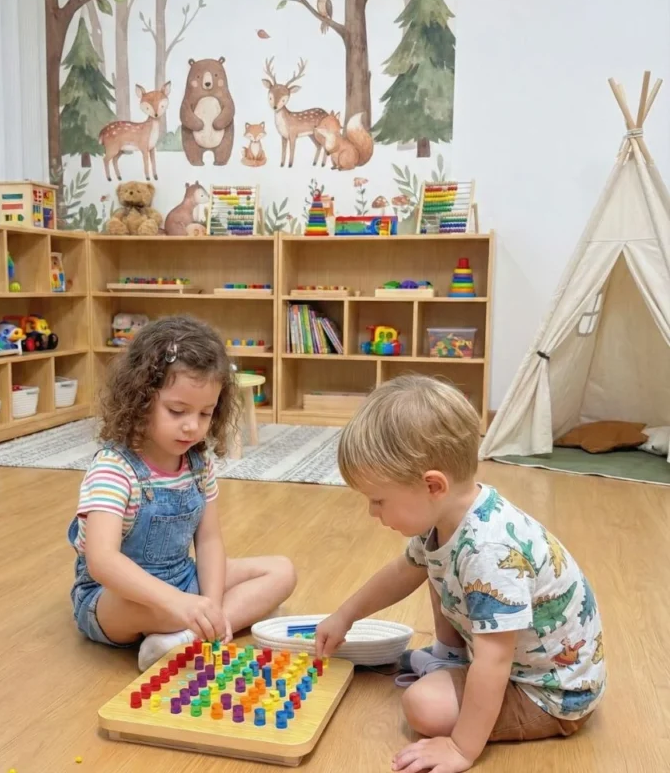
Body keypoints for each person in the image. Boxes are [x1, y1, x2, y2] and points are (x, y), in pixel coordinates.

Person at [315, 375, 605, 772]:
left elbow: (494, 660)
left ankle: (452, 672)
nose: (372, 512)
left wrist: (461, 748)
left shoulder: (490, 550)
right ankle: (449, 658)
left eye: (379, 500)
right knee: (432, 564)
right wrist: (345, 615)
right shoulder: (447, 516)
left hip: (550, 694)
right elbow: (404, 570)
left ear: (433, 485)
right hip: (513, 662)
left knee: (422, 706)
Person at [68, 315, 296, 671]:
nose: (192, 425)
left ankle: (189, 634)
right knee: (143, 606)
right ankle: (216, 622)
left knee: (282, 572)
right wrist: (179, 603)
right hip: (116, 598)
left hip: (182, 579)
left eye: (205, 413)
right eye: (177, 411)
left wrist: (210, 601)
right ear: (141, 399)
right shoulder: (114, 469)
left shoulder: (198, 464)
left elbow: (209, 543)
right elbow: (102, 561)